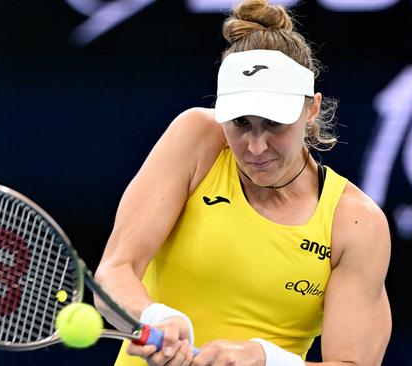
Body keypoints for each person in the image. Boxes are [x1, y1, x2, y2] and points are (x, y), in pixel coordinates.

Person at [94, 1, 391, 365]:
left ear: (311, 109)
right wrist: (156, 317)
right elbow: (114, 271)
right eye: (240, 123)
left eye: (273, 123)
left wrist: (264, 358)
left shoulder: (356, 223)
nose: (255, 146)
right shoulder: (196, 138)